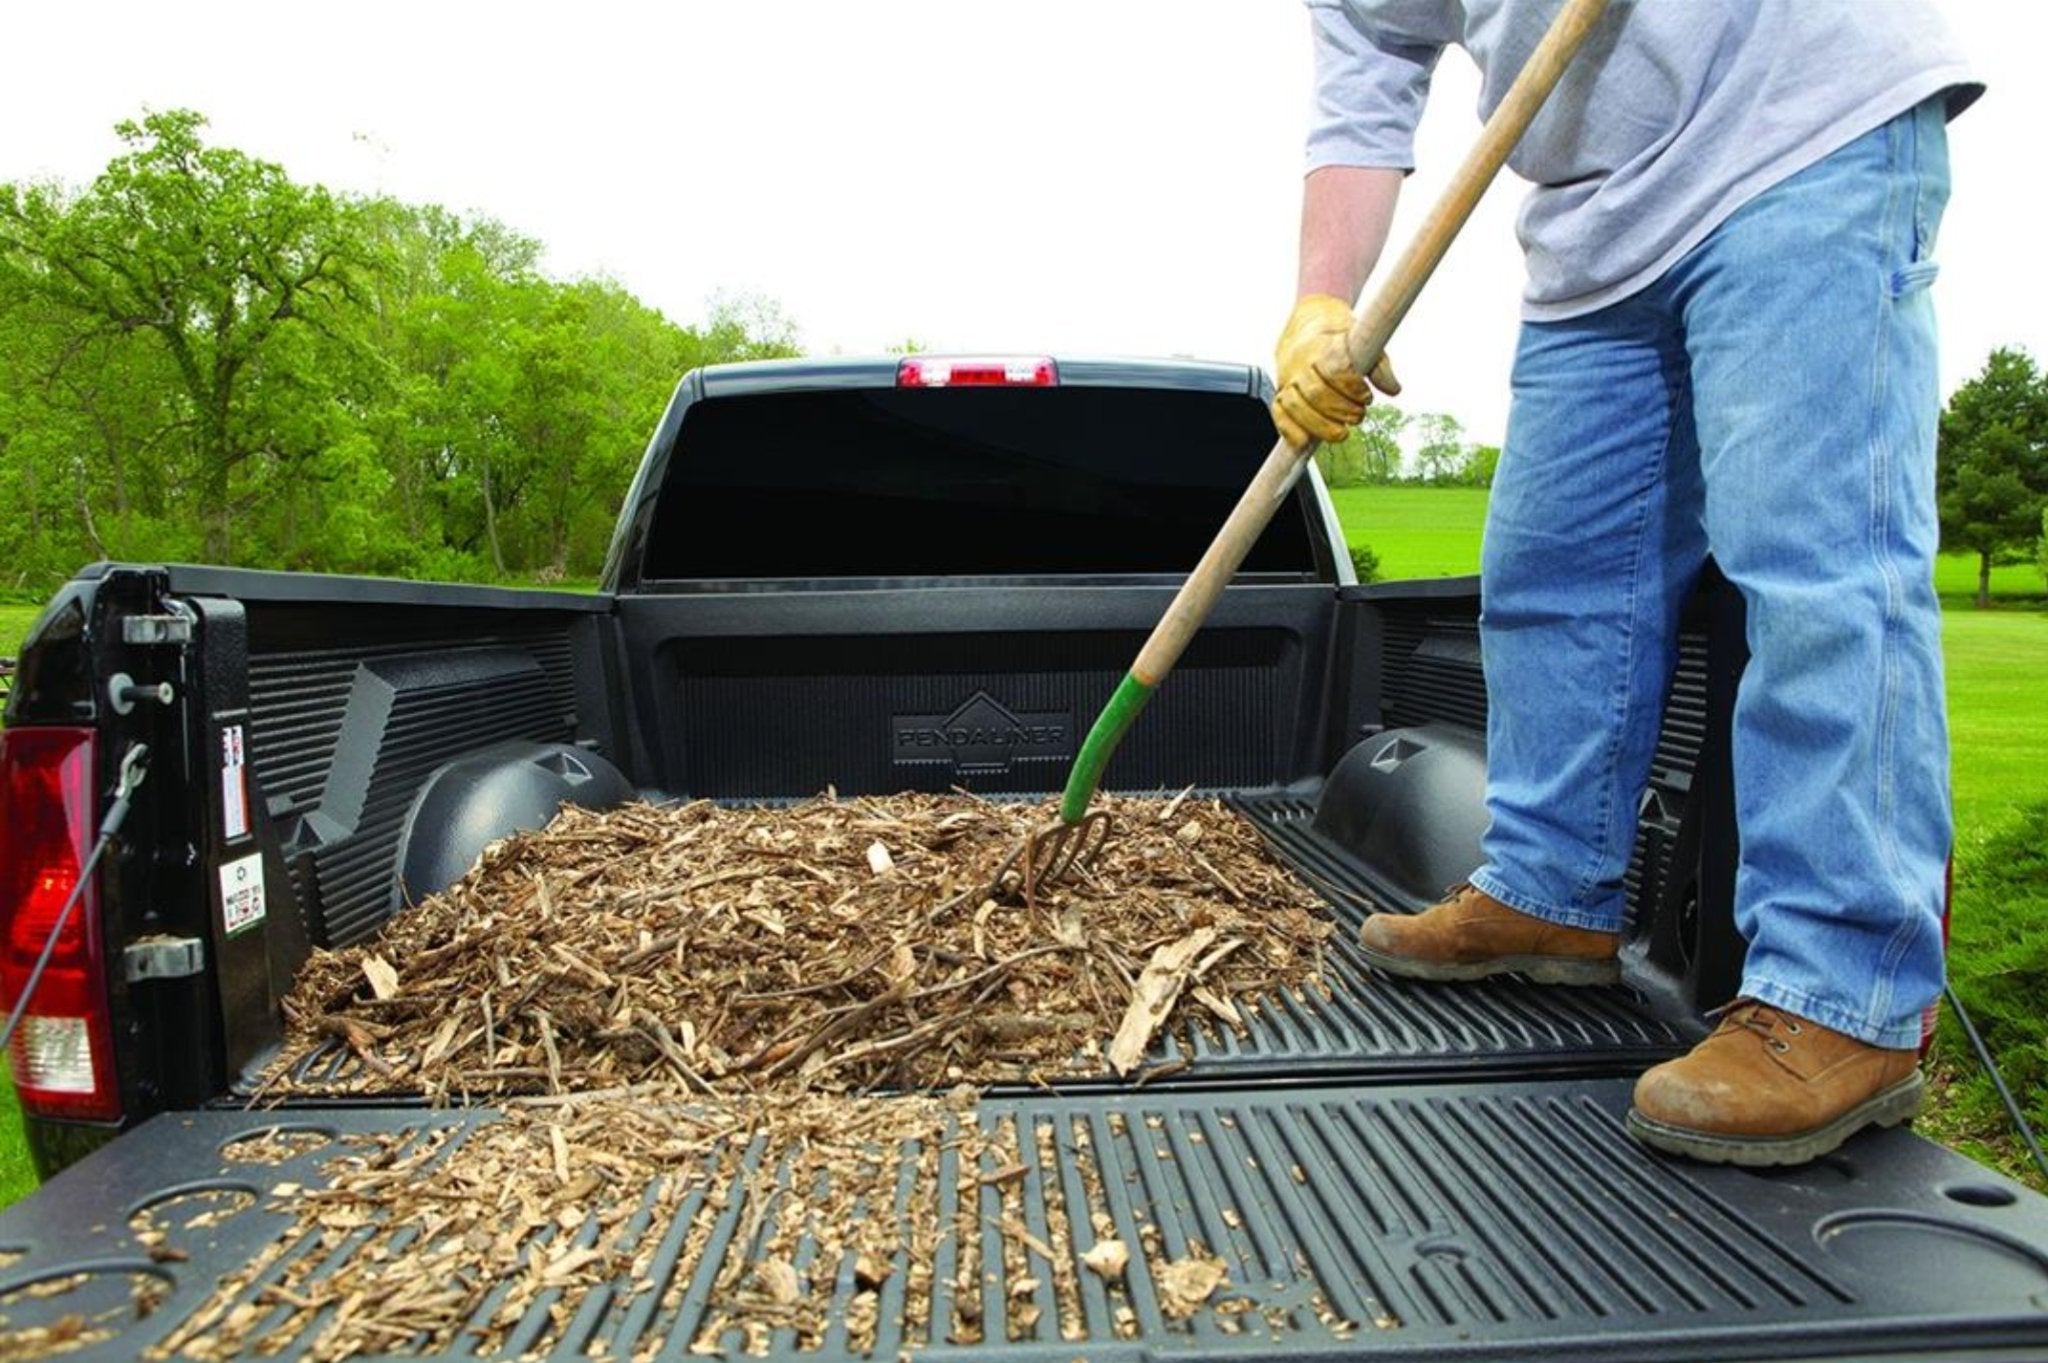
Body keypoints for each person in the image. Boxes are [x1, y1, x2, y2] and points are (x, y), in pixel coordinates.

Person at [1276, 0, 1980, 1167]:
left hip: (1793, 130)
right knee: (1549, 581)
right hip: (1594, 221)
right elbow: (1365, 83)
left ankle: (1844, 994)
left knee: (1812, 576)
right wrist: (1321, 303)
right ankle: (1549, 890)